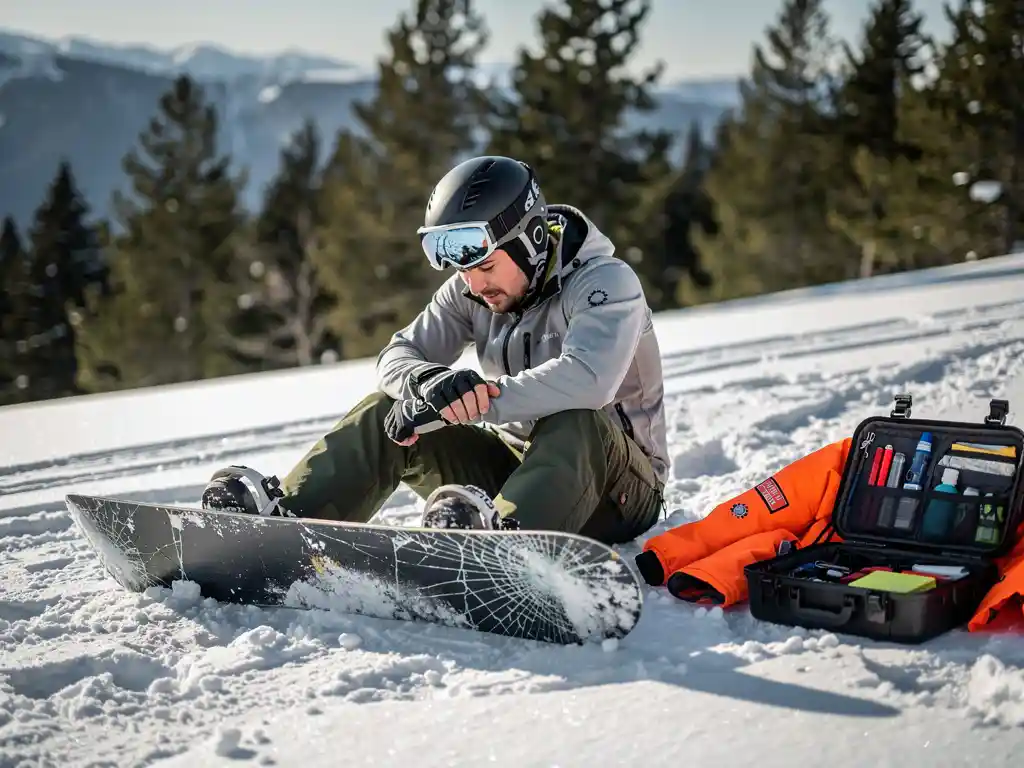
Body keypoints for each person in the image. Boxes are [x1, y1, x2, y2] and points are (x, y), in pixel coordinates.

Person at [200, 155, 668, 546]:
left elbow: (590, 380)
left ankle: (505, 547)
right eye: (463, 270)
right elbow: (398, 353)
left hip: (618, 488)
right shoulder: (471, 290)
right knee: (392, 407)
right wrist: (427, 384)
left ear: (530, 240)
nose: (473, 282)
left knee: (576, 417)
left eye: (485, 265)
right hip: (521, 474)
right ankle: (288, 527)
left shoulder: (606, 282)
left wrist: (478, 400)